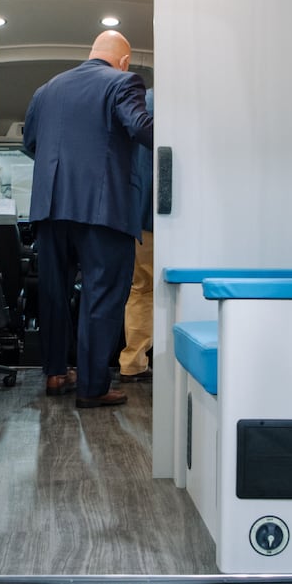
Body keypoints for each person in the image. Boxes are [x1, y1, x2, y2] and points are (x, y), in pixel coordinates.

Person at [22, 30, 153, 408]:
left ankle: (55, 373)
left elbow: (31, 143)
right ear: (124, 61)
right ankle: (93, 387)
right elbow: (141, 127)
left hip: (49, 208)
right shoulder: (124, 82)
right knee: (103, 294)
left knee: (52, 294)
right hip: (103, 207)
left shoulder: (46, 90)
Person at [118, 86, 155, 383]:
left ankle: (133, 363)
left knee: (141, 289)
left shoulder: (139, 104)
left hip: (139, 214)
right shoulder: (179, 104)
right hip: (173, 214)